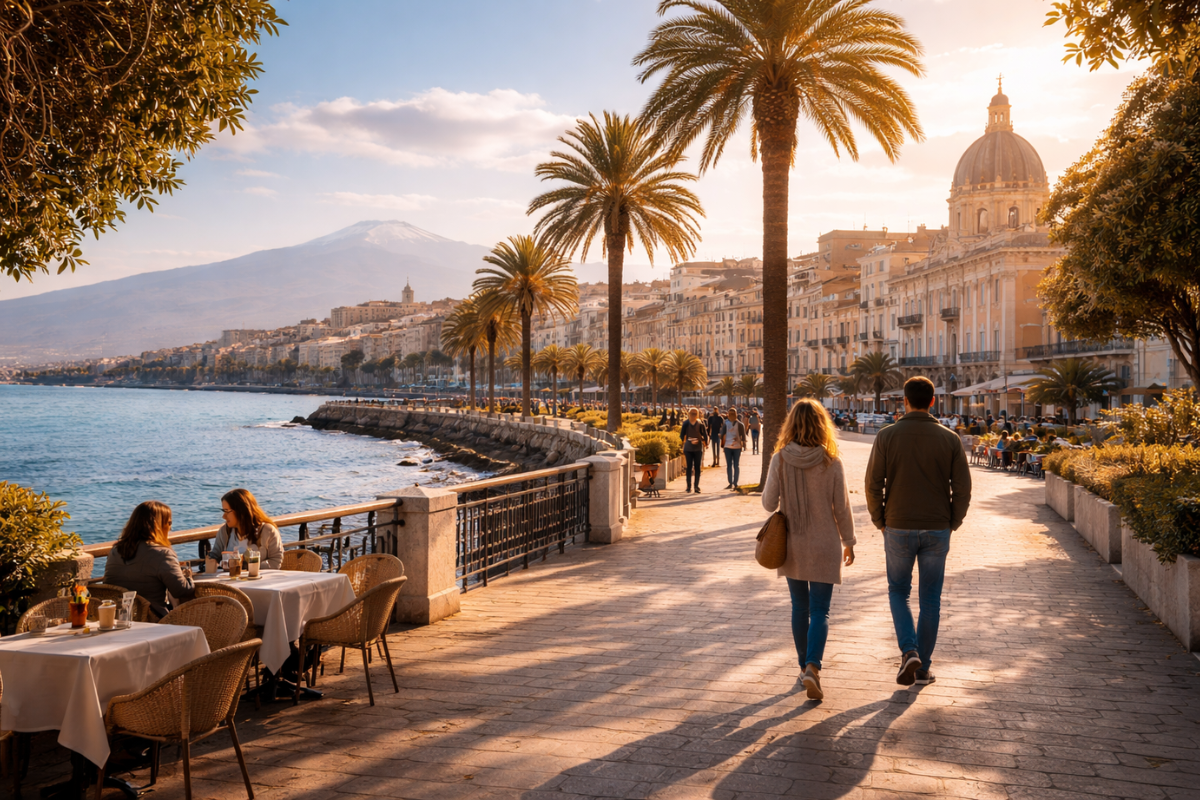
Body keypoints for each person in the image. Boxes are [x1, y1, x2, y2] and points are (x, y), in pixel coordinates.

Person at [866, 376, 972, 687]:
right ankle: (923, 667)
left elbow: (873, 484)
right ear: (933, 401)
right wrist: (954, 521)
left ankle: (908, 650)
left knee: (898, 592)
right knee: (931, 600)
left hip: (897, 524)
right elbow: (963, 489)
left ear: (904, 401)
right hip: (938, 526)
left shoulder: (886, 436)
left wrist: (878, 520)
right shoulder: (949, 438)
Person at [761, 398, 856, 701]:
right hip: (826, 543)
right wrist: (849, 542)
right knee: (821, 610)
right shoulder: (832, 462)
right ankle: (813, 666)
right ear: (822, 425)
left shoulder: (780, 459)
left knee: (799, 608)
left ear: (791, 424)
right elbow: (841, 508)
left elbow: (768, 504)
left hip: (794, 544)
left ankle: (804, 666)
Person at [103, 500, 195, 618]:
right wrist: (188, 577)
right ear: (159, 525)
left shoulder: (115, 551)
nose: (170, 528)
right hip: (149, 620)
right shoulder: (162, 554)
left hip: (117, 618)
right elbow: (181, 590)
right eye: (169, 523)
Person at [214, 488, 285, 569]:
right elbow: (214, 556)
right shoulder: (225, 531)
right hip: (231, 580)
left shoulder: (268, 531)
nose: (224, 516)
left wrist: (246, 567)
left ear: (241, 511)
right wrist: (213, 562)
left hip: (260, 580)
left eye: (227, 511)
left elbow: (276, 561)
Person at [679, 407, 708, 494]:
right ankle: (688, 486)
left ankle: (696, 486)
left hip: (698, 447)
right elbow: (681, 435)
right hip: (688, 448)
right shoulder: (686, 423)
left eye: (695, 414)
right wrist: (685, 441)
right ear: (689, 414)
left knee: (697, 467)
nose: (693, 415)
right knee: (689, 467)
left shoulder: (700, 423)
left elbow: (704, 435)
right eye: (692, 413)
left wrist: (704, 442)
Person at [721, 407, 748, 489]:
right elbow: (743, 437)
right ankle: (734, 482)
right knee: (735, 465)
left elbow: (722, 434)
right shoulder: (738, 424)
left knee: (731, 465)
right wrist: (743, 446)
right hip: (734, 447)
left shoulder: (728, 424)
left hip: (730, 447)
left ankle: (732, 482)